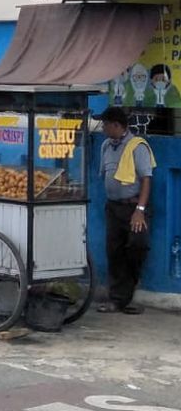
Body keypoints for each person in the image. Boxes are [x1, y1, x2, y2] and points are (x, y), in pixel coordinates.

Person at [94, 107, 155, 314]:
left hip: (133, 207)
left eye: (106, 125)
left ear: (117, 125)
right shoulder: (106, 146)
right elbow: (106, 174)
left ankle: (128, 291)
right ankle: (118, 298)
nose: (103, 129)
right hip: (114, 207)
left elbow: (146, 179)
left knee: (137, 246)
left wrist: (140, 210)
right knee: (114, 251)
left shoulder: (137, 146)